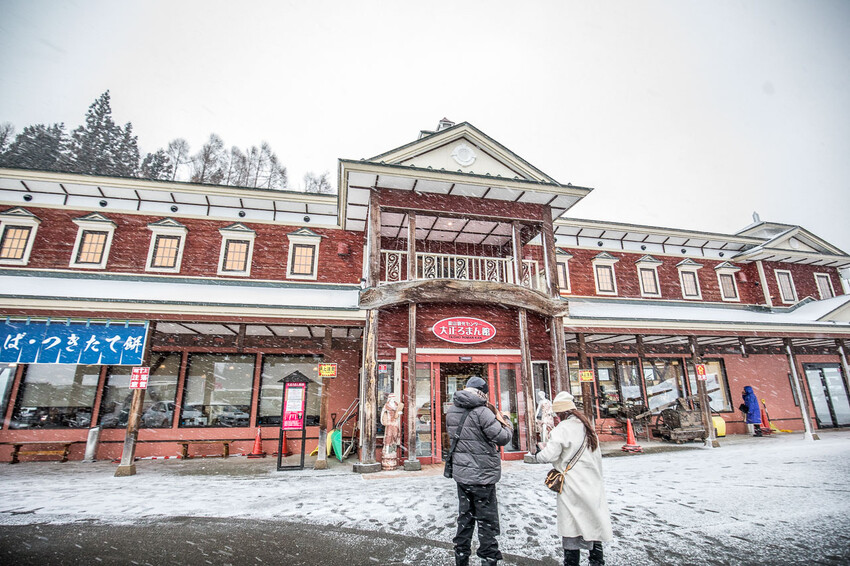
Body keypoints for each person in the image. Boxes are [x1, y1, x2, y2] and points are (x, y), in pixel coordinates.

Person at [534, 392, 613, 566]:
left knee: (571, 526)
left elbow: (550, 454)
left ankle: (571, 561)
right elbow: (596, 457)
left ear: (560, 413)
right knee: (593, 523)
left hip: (571, 485)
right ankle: (597, 560)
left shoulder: (562, 429)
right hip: (591, 482)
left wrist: (537, 455)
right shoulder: (587, 427)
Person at [445, 376, 513, 566]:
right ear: (483, 392)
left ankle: (461, 557)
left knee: (465, 518)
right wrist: (506, 420)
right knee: (487, 521)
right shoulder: (483, 412)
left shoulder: (452, 410)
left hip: (463, 475)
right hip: (483, 476)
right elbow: (502, 438)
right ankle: (488, 558)